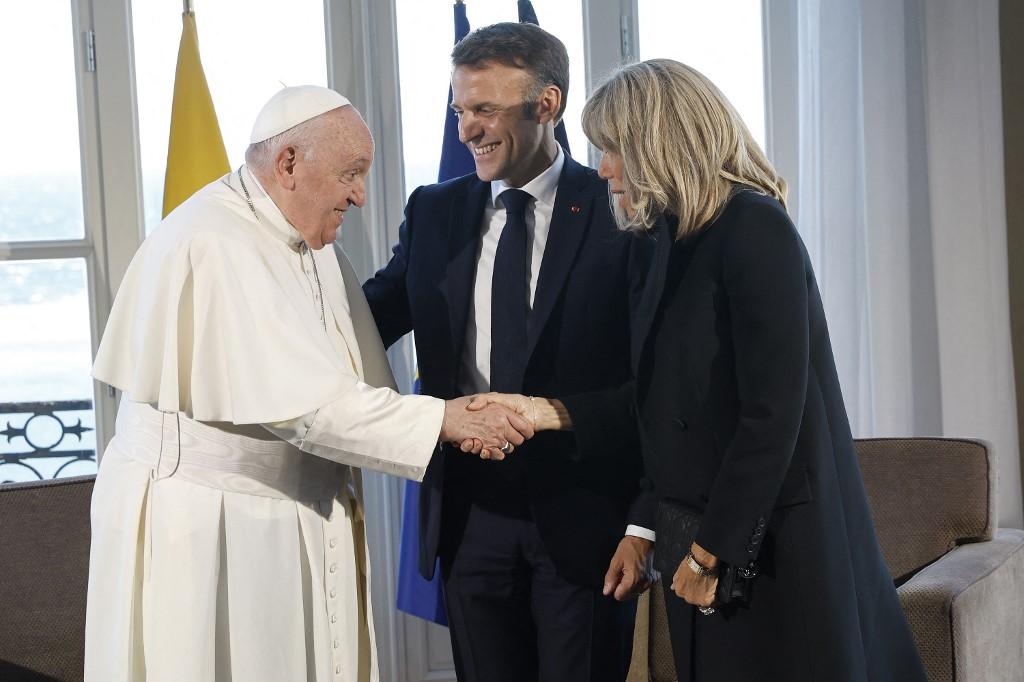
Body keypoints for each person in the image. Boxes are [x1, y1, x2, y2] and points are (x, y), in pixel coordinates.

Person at [84, 85, 534, 682]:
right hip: (213, 522)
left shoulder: (301, 231)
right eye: (351, 173)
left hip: (291, 509)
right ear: (289, 163)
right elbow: (308, 409)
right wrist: (445, 420)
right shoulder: (216, 242)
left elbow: (334, 369)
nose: (360, 195)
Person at [580, 59, 928, 680]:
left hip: (775, 552)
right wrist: (642, 528)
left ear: (661, 141)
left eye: (613, 149)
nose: (604, 168)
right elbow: (661, 411)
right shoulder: (661, 242)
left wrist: (711, 552)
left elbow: (772, 415)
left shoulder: (755, 227)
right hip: (698, 544)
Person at [363, 22, 654, 682]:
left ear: (546, 104)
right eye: (460, 110)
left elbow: (656, 386)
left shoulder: (620, 212)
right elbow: (369, 318)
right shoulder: (434, 212)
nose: (467, 129)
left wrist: (643, 526)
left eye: (485, 109)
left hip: (588, 521)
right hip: (470, 520)